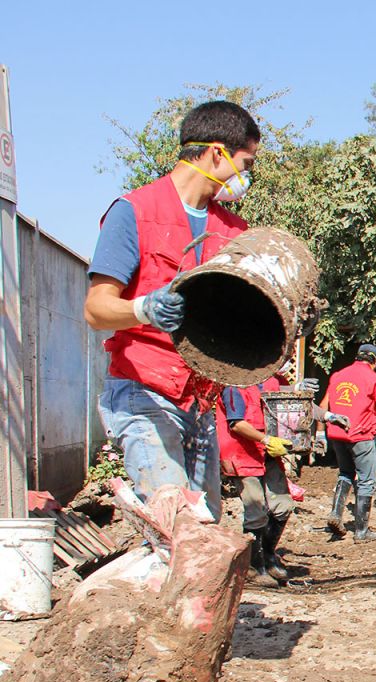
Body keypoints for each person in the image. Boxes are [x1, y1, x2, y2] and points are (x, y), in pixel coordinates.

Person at [83, 100, 260, 520]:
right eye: (245, 162)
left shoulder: (233, 232)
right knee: (176, 521)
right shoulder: (135, 212)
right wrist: (145, 309)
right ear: (217, 153)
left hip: (199, 403)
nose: (247, 175)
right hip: (144, 392)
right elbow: (96, 309)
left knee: (205, 531)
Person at [317, 344, 376, 542]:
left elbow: (323, 406)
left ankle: (335, 514)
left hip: (337, 435)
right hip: (361, 436)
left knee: (345, 473)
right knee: (366, 480)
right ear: (374, 361)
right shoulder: (375, 379)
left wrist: (320, 434)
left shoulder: (338, 375)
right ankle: (361, 530)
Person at [217, 382, 294, 587]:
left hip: (266, 453)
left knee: (283, 506)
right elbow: (236, 423)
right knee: (256, 507)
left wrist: (327, 416)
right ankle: (253, 566)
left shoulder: (272, 382)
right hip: (243, 453)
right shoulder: (234, 386)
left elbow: (290, 402)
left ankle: (268, 556)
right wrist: (266, 439)